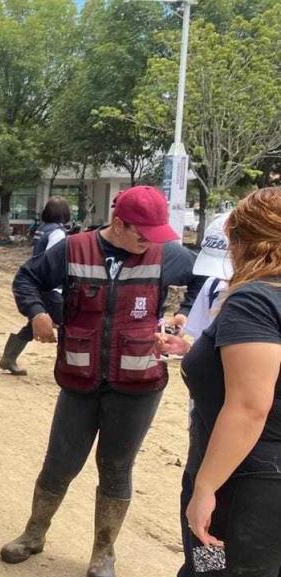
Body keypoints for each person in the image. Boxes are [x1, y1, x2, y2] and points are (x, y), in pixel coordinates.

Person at [2, 185, 203, 577]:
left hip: (138, 381)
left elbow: (204, 277)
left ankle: (103, 552)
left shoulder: (167, 254)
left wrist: (186, 312)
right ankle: (33, 533)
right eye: (141, 233)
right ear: (118, 223)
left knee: (116, 466)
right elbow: (27, 279)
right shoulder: (74, 249)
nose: (149, 242)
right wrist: (37, 313)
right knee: (59, 463)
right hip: (80, 377)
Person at [168, 188, 281, 577]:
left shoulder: (255, 300)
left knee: (210, 568)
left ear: (241, 241)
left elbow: (250, 406)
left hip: (243, 487)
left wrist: (205, 488)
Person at [176, 211, 232, 577]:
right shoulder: (213, 287)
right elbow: (198, 343)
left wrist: (208, 484)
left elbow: (249, 407)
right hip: (205, 430)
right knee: (205, 550)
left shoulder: (261, 306)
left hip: (246, 457)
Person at [0, 197, 72, 375]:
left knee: (36, 321)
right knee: (68, 324)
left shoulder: (42, 229)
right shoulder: (57, 233)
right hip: (50, 286)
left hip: (38, 282)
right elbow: (53, 259)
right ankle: (70, 365)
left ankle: (9, 357)